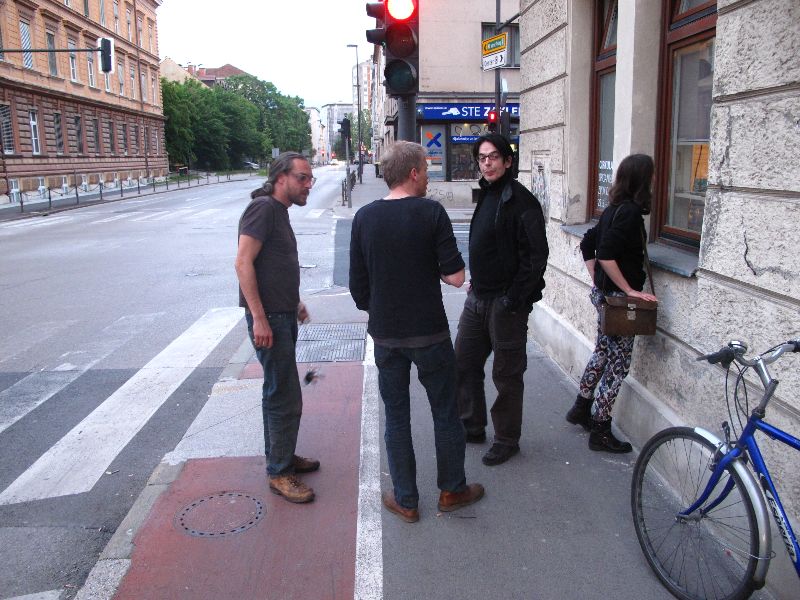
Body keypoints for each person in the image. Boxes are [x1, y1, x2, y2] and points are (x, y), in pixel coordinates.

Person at [349, 141, 485, 523]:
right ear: (413, 173)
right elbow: (456, 276)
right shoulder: (431, 212)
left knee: (396, 416)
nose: (428, 177)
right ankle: (452, 490)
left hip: (386, 336)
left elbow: (358, 288)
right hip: (430, 334)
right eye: (426, 170)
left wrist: (381, 309)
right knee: (445, 412)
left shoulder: (364, 218)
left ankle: (406, 500)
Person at [455, 133, 549, 466]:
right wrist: (477, 281)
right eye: (482, 158)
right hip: (478, 297)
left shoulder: (521, 201)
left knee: (506, 375)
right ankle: (472, 425)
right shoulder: (488, 193)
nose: (487, 163)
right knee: (463, 362)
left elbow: (536, 257)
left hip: (505, 305)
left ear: (508, 161)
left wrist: (513, 299)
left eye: (493, 157)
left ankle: (507, 439)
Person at [235, 151, 320, 503]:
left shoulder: (278, 211)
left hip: (281, 314)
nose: (309, 184)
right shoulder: (264, 209)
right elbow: (243, 263)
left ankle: (281, 456)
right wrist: (259, 317)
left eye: (310, 178)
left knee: (278, 391)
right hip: (270, 318)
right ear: (280, 178)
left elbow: (275, 265)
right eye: (302, 177)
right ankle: (280, 472)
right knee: (285, 395)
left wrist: (294, 302)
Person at [566, 153, 658, 453]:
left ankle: (581, 406)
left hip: (606, 298)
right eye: (651, 175)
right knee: (618, 366)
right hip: (620, 304)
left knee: (603, 352)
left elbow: (587, 244)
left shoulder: (613, 210)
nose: (655, 179)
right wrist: (629, 290)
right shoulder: (629, 213)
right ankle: (601, 429)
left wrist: (598, 282)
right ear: (642, 179)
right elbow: (605, 253)